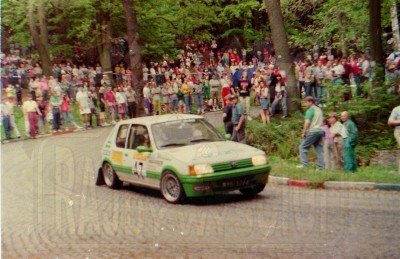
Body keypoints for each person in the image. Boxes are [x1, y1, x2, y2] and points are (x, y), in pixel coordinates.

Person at [297, 96, 325, 170]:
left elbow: (307, 122)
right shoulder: (319, 110)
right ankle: (321, 167)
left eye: (306, 102)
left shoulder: (310, 110)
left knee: (302, 147)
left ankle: (304, 166)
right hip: (321, 131)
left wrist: (303, 132)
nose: (305, 104)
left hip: (313, 131)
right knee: (319, 149)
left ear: (311, 102)